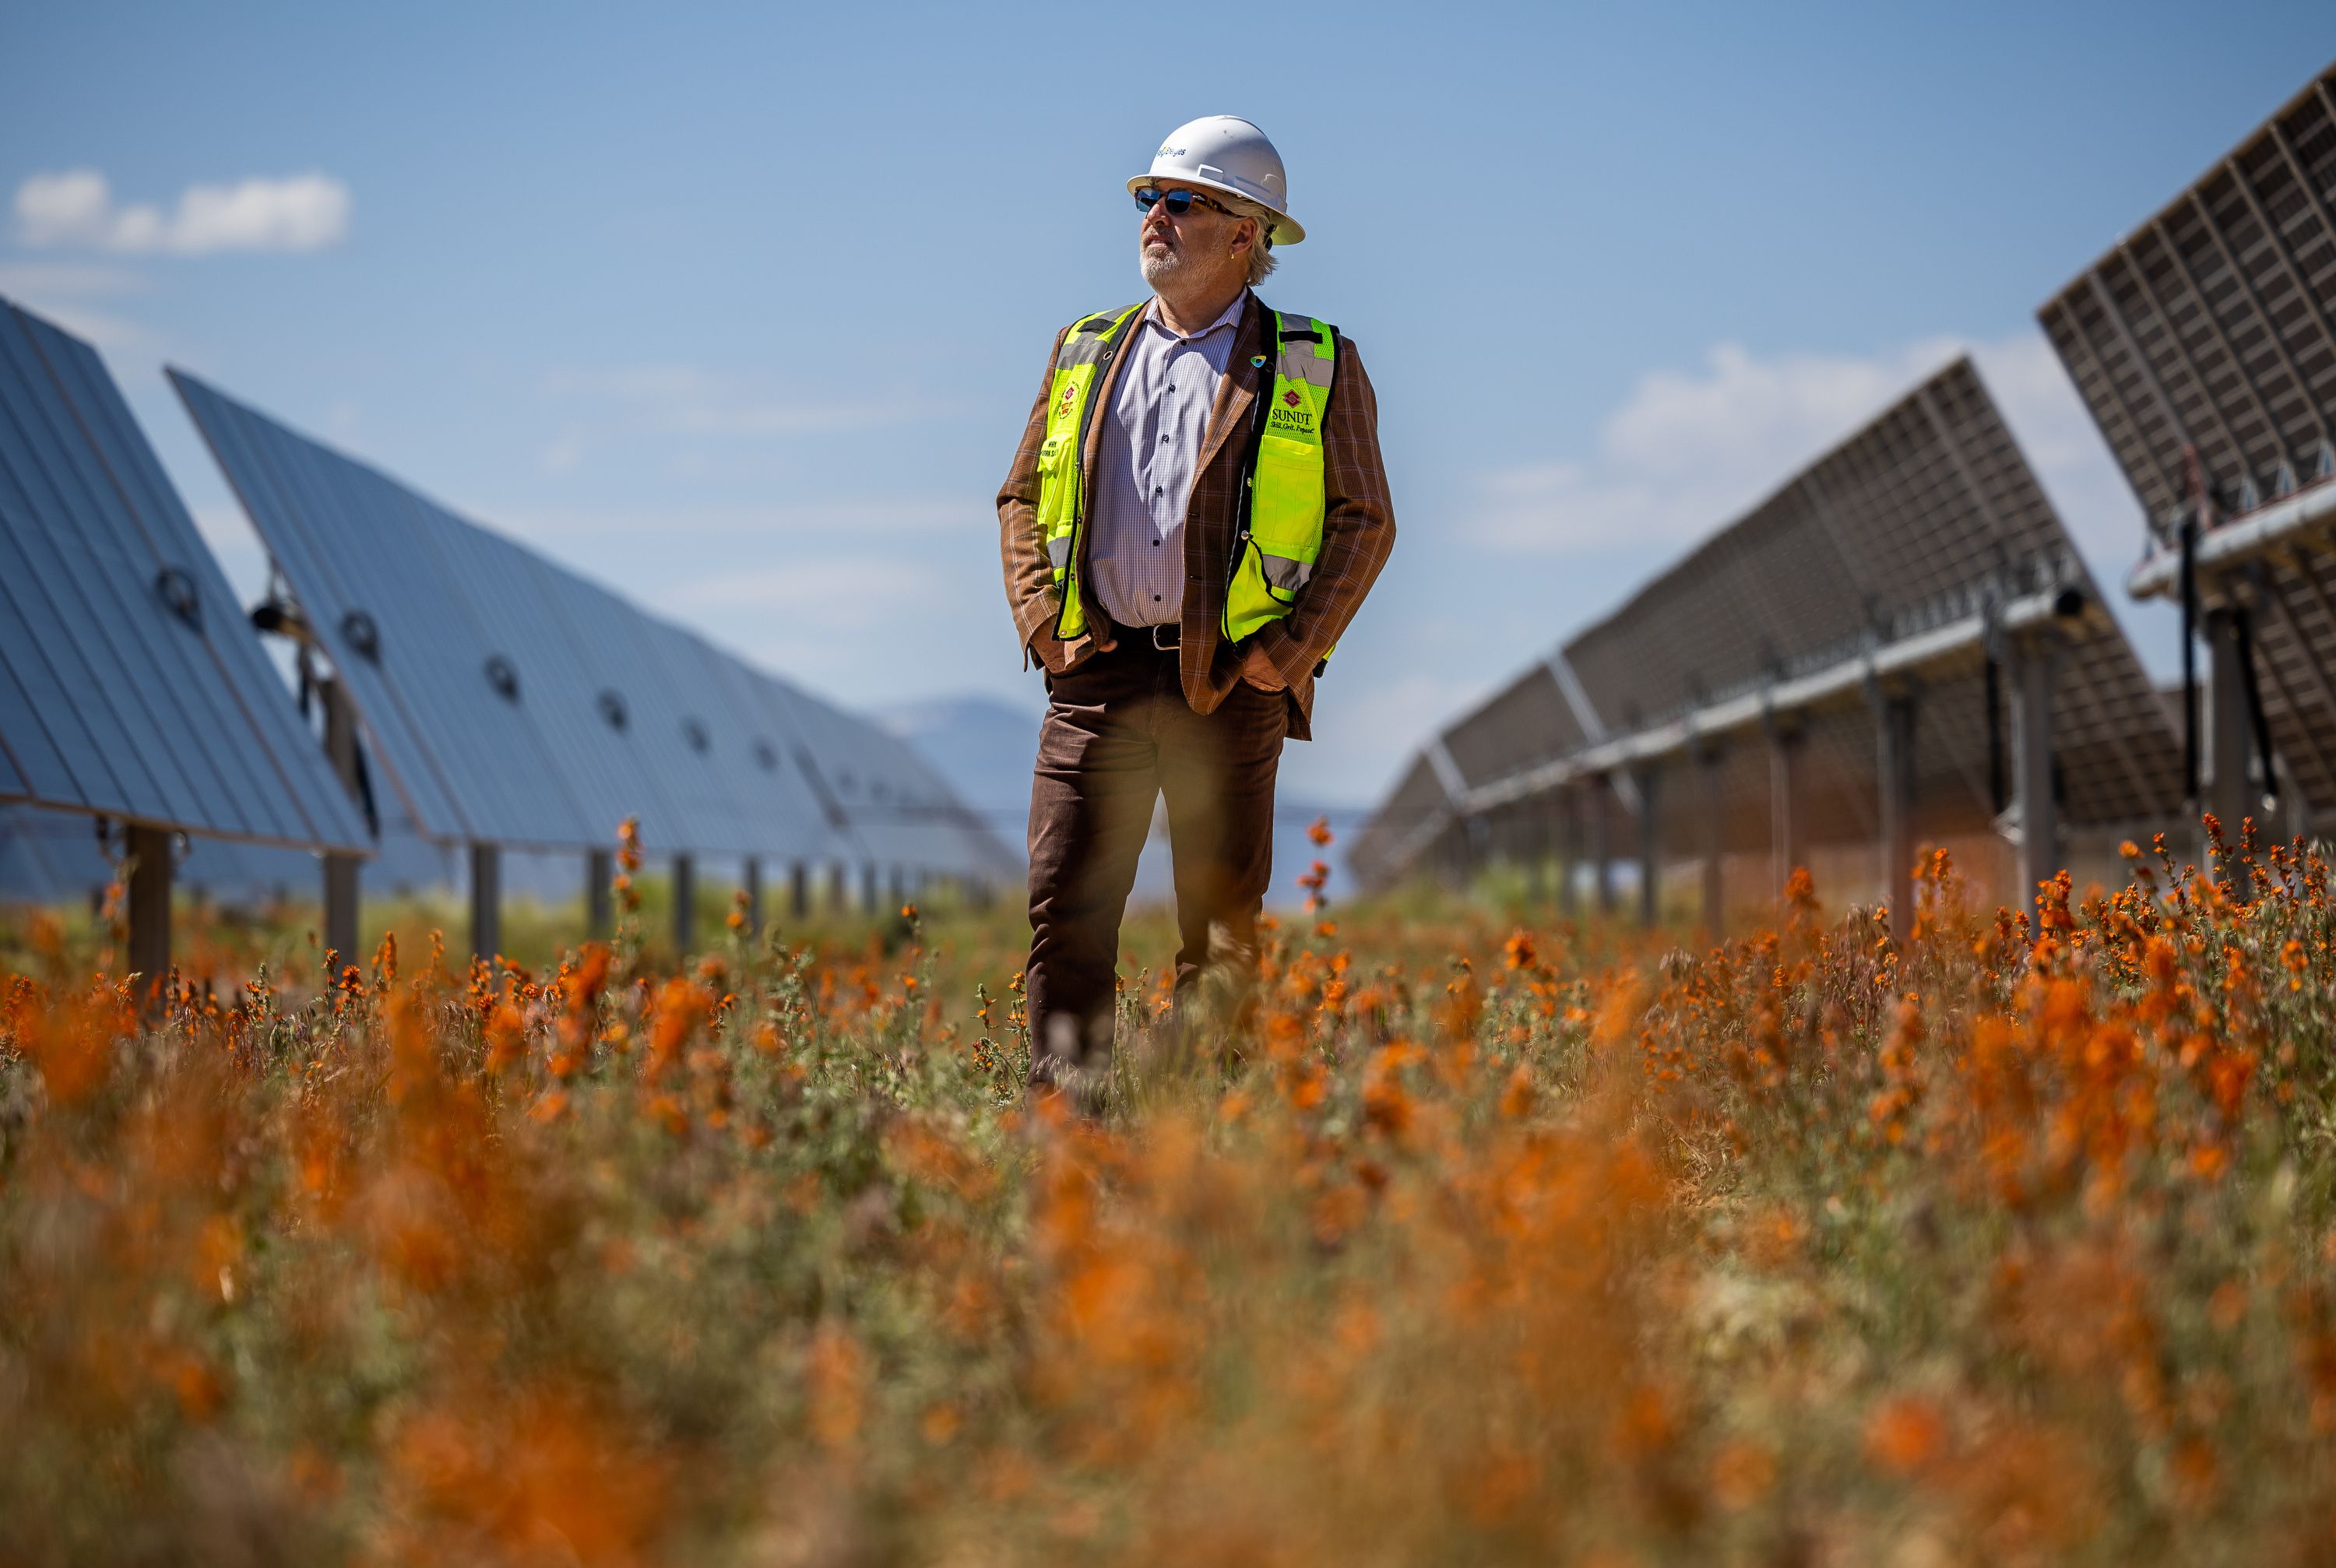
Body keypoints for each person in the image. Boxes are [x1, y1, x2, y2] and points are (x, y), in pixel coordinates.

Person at [995, 114, 1395, 1104]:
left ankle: (1198, 1135)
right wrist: (1048, 629)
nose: (1155, 219)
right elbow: (1018, 497)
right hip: (1094, 676)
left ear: (1246, 235)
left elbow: (1366, 520)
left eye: (1183, 202)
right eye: (1149, 200)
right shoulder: (1084, 348)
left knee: (1219, 930)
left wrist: (1286, 657)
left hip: (1229, 684)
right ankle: (1066, 1127)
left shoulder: (1315, 363)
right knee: (1067, 911)